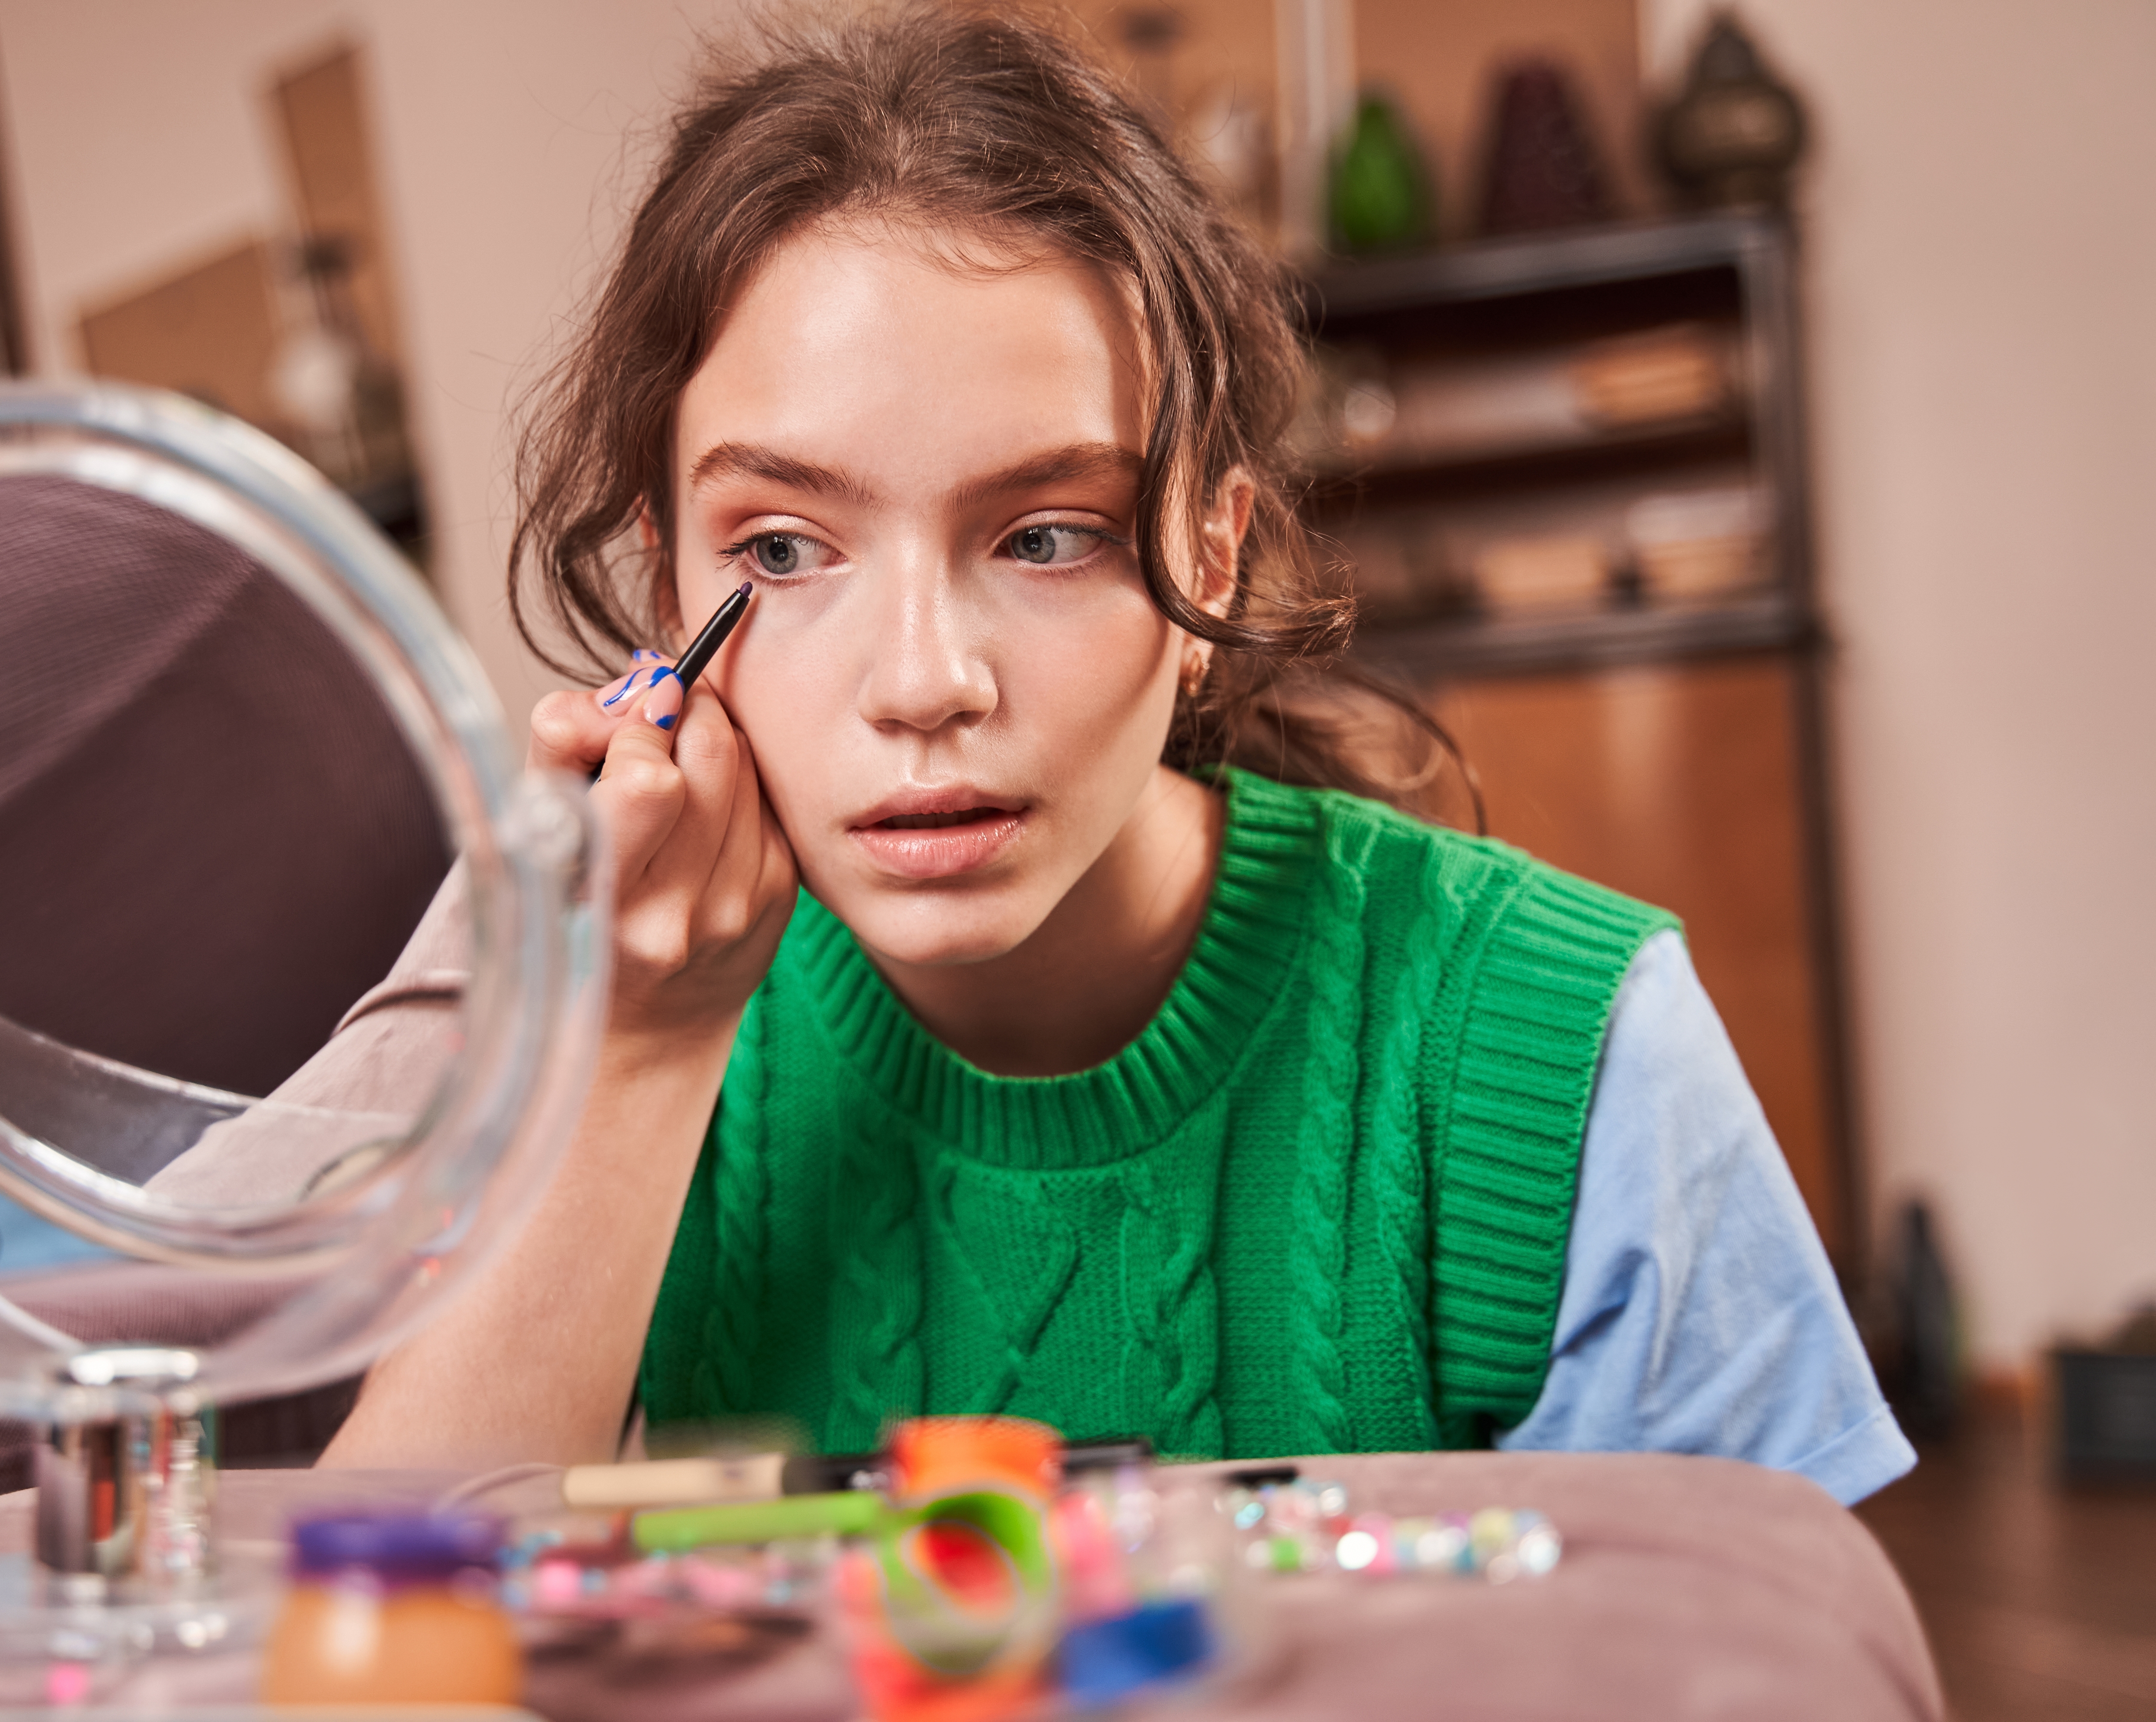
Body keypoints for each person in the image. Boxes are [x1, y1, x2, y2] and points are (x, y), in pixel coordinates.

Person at [316, 5, 1911, 1504]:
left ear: (1209, 566)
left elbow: (1777, 1650)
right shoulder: (615, 1031)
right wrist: (641, 1058)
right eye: (789, 550)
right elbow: (374, 1651)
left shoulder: (1574, 1049)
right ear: (672, 589)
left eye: (1048, 535)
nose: (925, 684)